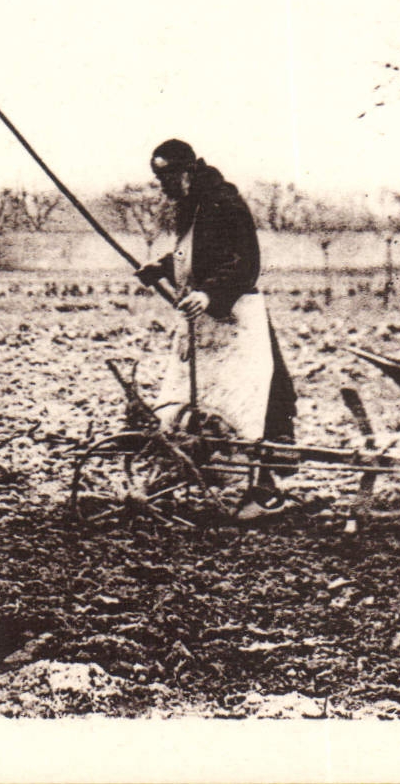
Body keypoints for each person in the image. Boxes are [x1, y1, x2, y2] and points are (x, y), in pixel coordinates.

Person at [134, 139, 297, 520]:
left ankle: (262, 493)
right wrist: (160, 268)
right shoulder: (194, 205)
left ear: (187, 171)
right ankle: (193, 473)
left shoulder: (225, 204)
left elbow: (244, 263)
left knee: (246, 407)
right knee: (194, 402)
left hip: (235, 320)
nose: (163, 188)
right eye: (159, 180)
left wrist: (209, 294)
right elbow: (193, 254)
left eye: (167, 178)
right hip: (205, 323)